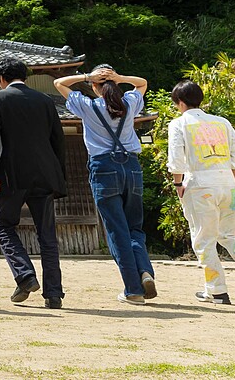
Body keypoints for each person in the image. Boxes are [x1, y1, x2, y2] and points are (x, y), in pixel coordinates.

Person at [167, 80, 235, 305]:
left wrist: (178, 185)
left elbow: (177, 161)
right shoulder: (222, 122)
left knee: (204, 240)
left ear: (180, 103)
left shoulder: (179, 124)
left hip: (199, 186)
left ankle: (216, 290)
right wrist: (229, 178)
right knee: (231, 235)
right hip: (228, 186)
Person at [53, 64, 155, 305]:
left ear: (95, 87)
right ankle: (144, 270)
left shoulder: (89, 106)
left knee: (116, 229)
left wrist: (88, 76)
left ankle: (133, 289)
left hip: (104, 168)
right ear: (116, 84)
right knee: (134, 227)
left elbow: (60, 83)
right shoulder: (129, 103)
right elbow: (142, 82)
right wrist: (120, 77)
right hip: (131, 166)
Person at [0, 57, 69, 309]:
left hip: (12, 175)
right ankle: (53, 294)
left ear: (1, 78)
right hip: (45, 174)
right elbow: (58, 140)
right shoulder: (45, 100)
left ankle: (25, 275)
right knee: (47, 235)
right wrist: (59, 175)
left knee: (4, 225)